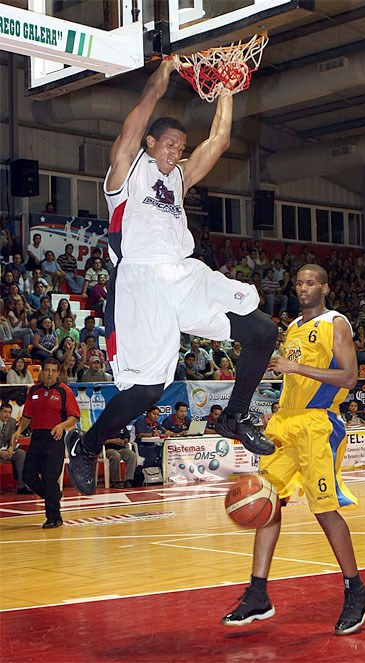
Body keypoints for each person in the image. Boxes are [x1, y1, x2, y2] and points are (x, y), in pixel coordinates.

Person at [65, 59, 277, 495]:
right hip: (140, 283)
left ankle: (235, 416)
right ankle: (85, 447)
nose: (176, 152)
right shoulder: (126, 171)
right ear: (149, 143)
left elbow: (218, 140)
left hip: (185, 275)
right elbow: (142, 109)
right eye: (169, 145)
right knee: (146, 392)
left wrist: (227, 93)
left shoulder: (178, 179)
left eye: (181, 146)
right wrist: (163, 74)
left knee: (262, 331)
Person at [222, 264, 365, 635]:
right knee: (267, 499)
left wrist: (295, 367)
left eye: (310, 283)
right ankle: (258, 593)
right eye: (299, 283)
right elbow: (294, 374)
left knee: (324, 510)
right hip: (286, 423)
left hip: (318, 424)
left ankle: (357, 590)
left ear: (325, 287)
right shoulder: (292, 328)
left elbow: (350, 378)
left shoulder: (336, 324)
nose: (303, 288)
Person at [12, 357, 80, 528]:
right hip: (37, 438)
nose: (50, 374)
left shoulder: (64, 391)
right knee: (28, 475)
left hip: (54, 439)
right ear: (41, 371)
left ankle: (54, 518)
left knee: (50, 479)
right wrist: (19, 431)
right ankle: (54, 496)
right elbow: (27, 416)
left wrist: (61, 426)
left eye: (53, 371)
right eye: (47, 370)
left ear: (58, 373)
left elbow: (74, 417)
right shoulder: (33, 390)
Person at [0, 402, 32, 494]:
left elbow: (13, 438)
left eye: (9, 412)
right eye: (5, 412)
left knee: (21, 454)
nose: (7, 414)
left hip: (6, 449)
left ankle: (22, 486)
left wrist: (11, 448)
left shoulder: (13, 421)